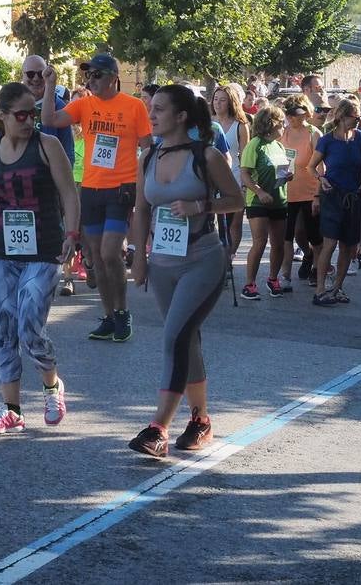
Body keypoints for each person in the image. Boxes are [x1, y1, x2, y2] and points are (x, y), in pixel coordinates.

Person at [126, 85, 244, 458]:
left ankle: (157, 427)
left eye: (159, 109)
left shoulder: (206, 155)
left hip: (202, 259)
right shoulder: (148, 156)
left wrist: (200, 205)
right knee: (185, 339)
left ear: (180, 116)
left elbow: (237, 200)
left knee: (174, 337)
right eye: (151, 109)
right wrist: (139, 256)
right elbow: (141, 209)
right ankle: (200, 420)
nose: (152, 115)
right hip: (161, 261)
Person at [0, 82, 80, 433]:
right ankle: (12, 409)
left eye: (33, 113)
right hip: (2, 251)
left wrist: (72, 235)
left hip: (43, 249)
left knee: (30, 326)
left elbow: (69, 193)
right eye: (21, 114)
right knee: (4, 329)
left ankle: (52, 385)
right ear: (1, 116)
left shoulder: (47, 146)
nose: (29, 120)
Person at [41, 54, 152, 344]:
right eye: (89, 76)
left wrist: (143, 186)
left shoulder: (134, 106)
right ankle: (108, 316)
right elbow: (50, 120)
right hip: (91, 188)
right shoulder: (85, 104)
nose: (92, 81)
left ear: (114, 76)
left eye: (98, 75)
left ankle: (124, 311)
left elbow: (148, 147)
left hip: (121, 187)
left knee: (109, 252)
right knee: (95, 258)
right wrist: (50, 85)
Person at [308, 98, 361, 306]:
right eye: (356, 117)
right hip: (333, 196)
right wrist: (321, 179)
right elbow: (311, 167)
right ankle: (320, 290)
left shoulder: (360, 138)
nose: (359, 120)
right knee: (330, 243)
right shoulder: (327, 140)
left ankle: (337, 288)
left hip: (353, 197)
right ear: (343, 117)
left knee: (349, 246)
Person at [240, 105, 290, 300]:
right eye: (282, 122)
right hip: (258, 201)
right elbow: (245, 173)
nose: (285, 126)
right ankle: (250, 283)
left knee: (278, 244)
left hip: (279, 198)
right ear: (272, 124)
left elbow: (280, 171)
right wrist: (259, 191)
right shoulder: (255, 144)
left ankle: (273, 278)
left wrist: (287, 176)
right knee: (260, 242)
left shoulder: (278, 145)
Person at [280, 95, 322, 290]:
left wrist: (318, 195)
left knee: (313, 234)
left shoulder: (314, 133)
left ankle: (316, 268)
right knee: (291, 235)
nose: (295, 119)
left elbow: (320, 167)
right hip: (287, 191)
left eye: (299, 114)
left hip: (309, 190)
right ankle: (286, 274)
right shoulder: (282, 133)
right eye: (291, 115)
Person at [211, 84, 250, 257]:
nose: (217, 103)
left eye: (222, 100)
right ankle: (217, 256)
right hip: (211, 178)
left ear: (231, 102)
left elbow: (245, 156)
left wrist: (244, 183)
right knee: (215, 220)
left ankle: (230, 258)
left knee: (234, 222)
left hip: (234, 176)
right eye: (215, 99)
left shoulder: (240, 126)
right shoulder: (208, 124)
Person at [21, 55, 75, 164]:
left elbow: (67, 149)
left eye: (41, 74)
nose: (36, 78)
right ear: (22, 75)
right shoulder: (11, 103)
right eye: (31, 74)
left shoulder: (59, 106)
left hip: (48, 175)